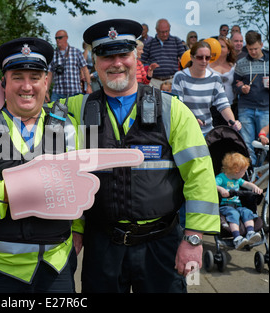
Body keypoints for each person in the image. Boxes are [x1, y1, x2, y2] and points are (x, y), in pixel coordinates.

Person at [61, 19, 220, 293]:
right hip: (102, 245)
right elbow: (27, 102)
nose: (116, 63)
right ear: (94, 61)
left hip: (161, 244)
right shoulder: (74, 109)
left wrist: (193, 239)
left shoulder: (172, 110)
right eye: (106, 56)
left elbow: (199, 175)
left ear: (138, 58)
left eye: (124, 54)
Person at [0, 37, 79, 293]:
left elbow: (79, 187)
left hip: (55, 266)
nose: (27, 86)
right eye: (18, 77)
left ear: (46, 81)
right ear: (4, 83)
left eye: (35, 76)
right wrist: (13, 191)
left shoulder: (67, 127)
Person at [172, 41, 241, 135]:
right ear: (192, 57)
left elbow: (223, 104)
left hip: (206, 131)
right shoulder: (180, 77)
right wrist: (191, 120)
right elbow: (177, 106)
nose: (204, 61)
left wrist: (233, 122)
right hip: (184, 131)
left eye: (207, 57)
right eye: (200, 57)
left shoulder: (214, 78)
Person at [233, 31, 269, 166]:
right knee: (247, 143)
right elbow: (235, 84)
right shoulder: (241, 63)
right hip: (245, 107)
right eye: (250, 49)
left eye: (256, 48)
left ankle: (258, 170)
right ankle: (250, 173)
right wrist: (241, 88)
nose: (253, 52)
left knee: (263, 144)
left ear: (261, 44)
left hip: (265, 107)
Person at [216, 152, 263, 249]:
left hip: (238, 205)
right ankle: (237, 238)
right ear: (236, 171)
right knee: (234, 214)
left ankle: (250, 232)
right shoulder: (221, 177)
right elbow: (212, 184)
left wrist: (254, 187)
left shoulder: (237, 179)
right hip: (225, 206)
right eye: (243, 172)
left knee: (247, 212)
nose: (243, 175)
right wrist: (221, 189)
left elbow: (246, 184)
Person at [47, 30, 92, 102]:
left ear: (66, 38)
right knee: (53, 112)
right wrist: (46, 91)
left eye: (60, 38)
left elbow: (85, 69)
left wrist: (89, 86)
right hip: (58, 93)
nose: (57, 40)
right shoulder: (53, 54)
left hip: (75, 92)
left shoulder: (76, 52)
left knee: (76, 113)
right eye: (56, 38)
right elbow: (49, 74)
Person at [141, 18, 186, 89]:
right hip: (154, 81)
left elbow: (184, 59)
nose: (165, 34)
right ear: (156, 30)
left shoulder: (176, 41)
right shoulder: (150, 43)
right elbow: (141, 60)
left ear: (170, 29)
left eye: (167, 31)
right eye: (162, 32)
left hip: (171, 80)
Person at [208, 36, 238, 126]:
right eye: (217, 46)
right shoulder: (207, 65)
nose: (219, 49)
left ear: (229, 50)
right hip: (212, 106)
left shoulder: (234, 67)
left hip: (230, 105)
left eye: (222, 46)